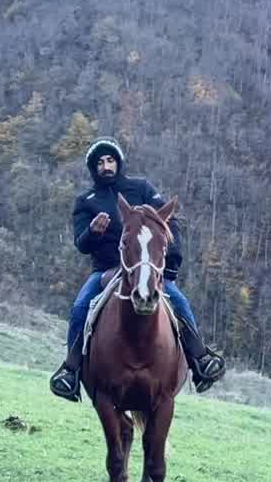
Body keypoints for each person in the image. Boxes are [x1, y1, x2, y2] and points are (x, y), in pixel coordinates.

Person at [49, 138, 226, 401]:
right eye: (100, 162)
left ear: (118, 163)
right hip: (106, 270)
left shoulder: (141, 188)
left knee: (178, 300)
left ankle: (200, 359)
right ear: (93, 168)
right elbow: (81, 244)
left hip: (146, 267)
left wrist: (170, 267)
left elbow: (168, 223)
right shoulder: (85, 201)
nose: (106, 166)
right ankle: (71, 371)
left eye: (110, 160)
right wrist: (92, 232)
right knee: (80, 307)